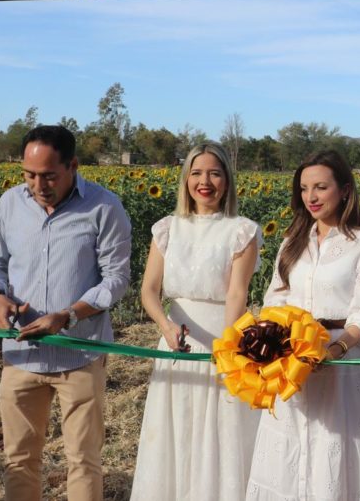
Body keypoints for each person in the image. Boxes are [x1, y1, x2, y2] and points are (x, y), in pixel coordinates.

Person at [0, 125, 131, 501]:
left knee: (83, 460)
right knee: (20, 459)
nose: (37, 185)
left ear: (73, 165)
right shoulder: (11, 203)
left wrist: (68, 315)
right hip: (21, 357)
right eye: (29, 175)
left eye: (48, 175)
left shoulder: (104, 208)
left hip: (80, 354)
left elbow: (116, 279)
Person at [246, 150, 360, 501]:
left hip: (340, 361)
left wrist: (334, 349)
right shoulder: (291, 242)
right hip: (289, 361)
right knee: (290, 446)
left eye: (321, 187)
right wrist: (268, 344)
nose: (311, 197)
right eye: (304, 188)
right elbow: (275, 299)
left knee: (334, 447)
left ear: (345, 190)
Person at [130, 142, 262, 501]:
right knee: (177, 432)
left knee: (222, 434)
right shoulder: (167, 229)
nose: (205, 181)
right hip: (176, 342)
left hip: (224, 340)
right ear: (186, 178)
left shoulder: (242, 231)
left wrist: (228, 345)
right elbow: (149, 291)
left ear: (227, 181)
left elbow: (237, 294)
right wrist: (165, 327)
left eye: (215, 173)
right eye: (198, 172)